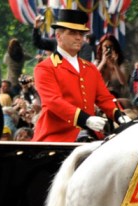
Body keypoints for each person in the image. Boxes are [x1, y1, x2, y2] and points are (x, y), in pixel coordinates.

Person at [32, 9, 127, 142]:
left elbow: (105, 98)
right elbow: (53, 101)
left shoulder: (90, 68)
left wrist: (120, 116)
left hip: (90, 135)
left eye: (81, 33)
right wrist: (85, 119)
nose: (79, 37)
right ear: (58, 36)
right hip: (56, 137)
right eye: (72, 33)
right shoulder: (44, 68)